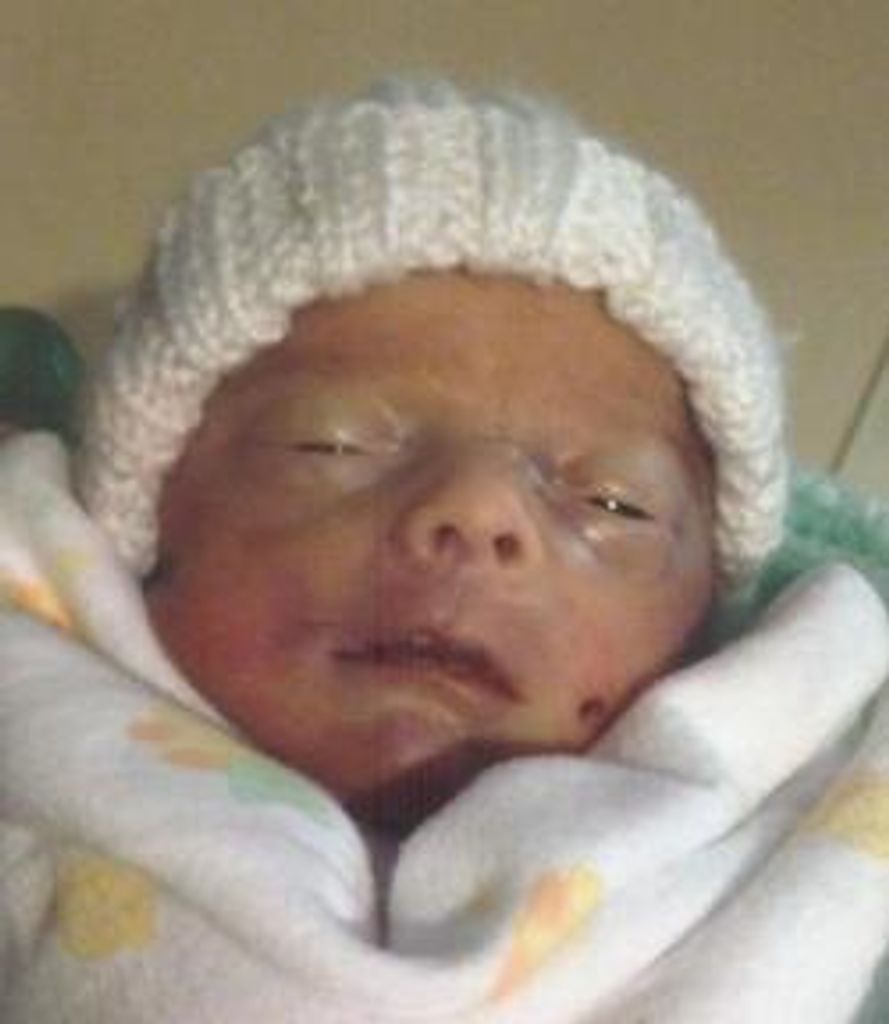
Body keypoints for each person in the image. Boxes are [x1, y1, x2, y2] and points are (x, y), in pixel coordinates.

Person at [1, 77, 887, 1023]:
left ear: (706, 631)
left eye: (613, 504)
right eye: (333, 445)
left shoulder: (796, 863)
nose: (477, 508)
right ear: (149, 528)